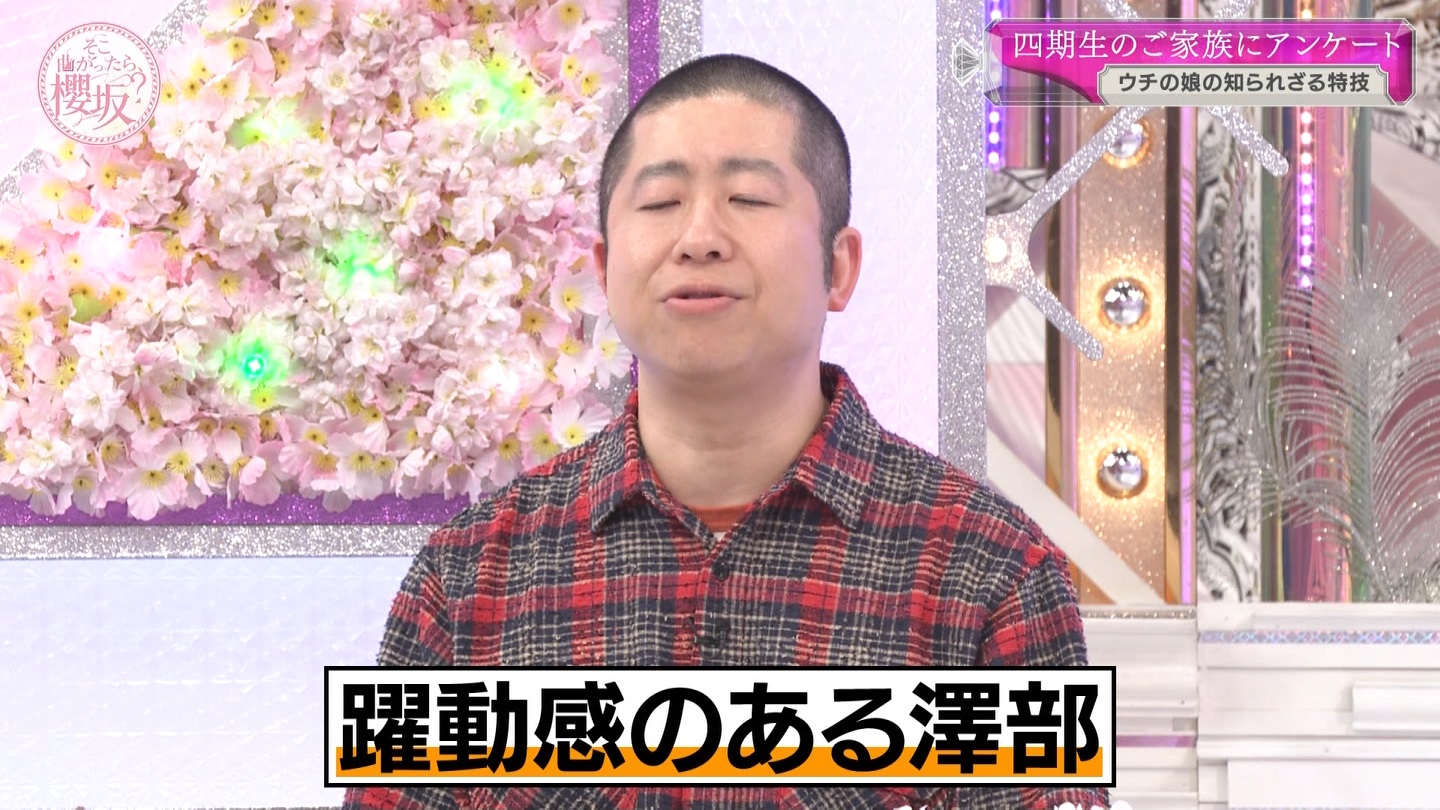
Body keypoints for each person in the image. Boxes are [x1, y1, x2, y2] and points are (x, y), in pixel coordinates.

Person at [344, 54, 1108, 810]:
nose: (699, 237)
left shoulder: (992, 570)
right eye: (660, 202)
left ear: (839, 267)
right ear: (603, 271)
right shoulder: (466, 578)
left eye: (747, 197)